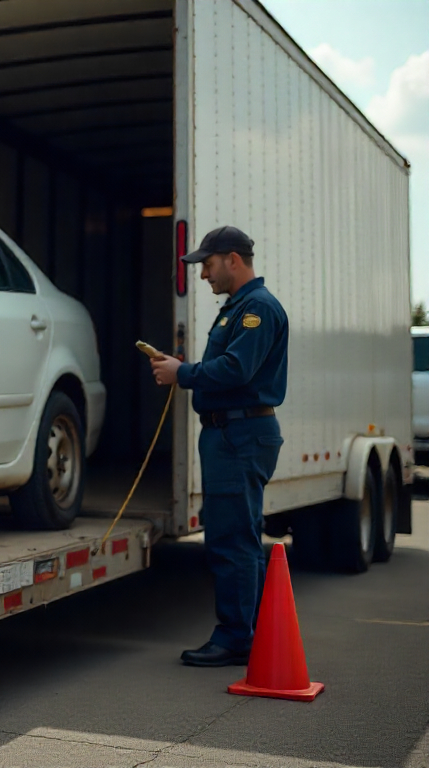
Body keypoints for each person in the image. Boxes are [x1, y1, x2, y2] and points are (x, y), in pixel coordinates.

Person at [150, 225, 289, 667]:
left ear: (233, 259)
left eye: (207, 265)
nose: (204, 275)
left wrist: (182, 372)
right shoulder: (238, 307)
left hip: (239, 435)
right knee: (229, 534)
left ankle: (236, 638)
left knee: (234, 540)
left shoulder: (256, 310)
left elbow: (236, 369)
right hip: (229, 434)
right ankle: (238, 632)